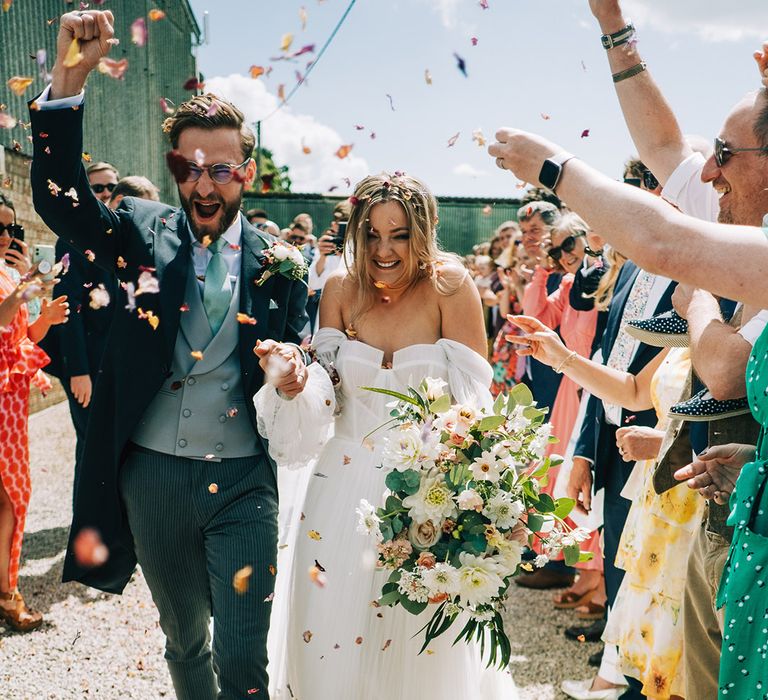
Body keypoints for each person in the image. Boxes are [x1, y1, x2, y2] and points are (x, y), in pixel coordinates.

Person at [30, 10, 308, 697]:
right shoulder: (135, 231)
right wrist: (71, 76)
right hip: (152, 478)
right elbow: (63, 202)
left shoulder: (282, 264)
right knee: (185, 639)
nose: (205, 185)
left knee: (244, 652)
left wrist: (297, 375)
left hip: (245, 478)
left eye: (221, 169)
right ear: (173, 167)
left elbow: (303, 357)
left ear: (247, 172)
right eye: (190, 168)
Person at [487, 50, 768, 700]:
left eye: (725, 150)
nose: (707, 169)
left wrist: (555, 170)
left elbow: (669, 251)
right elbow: (664, 147)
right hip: (740, 511)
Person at [260, 173, 518, 699]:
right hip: (339, 492)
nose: (383, 249)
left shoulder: (451, 285)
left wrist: (474, 500)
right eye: (371, 234)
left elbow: (474, 405)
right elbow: (327, 392)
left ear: (422, 232)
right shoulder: (338, 288)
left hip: (425, 494)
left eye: (399, 235)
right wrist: (293, 383)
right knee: (331, 638)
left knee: (419, 645)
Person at [42, 173, 161, 465]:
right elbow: (68, 307)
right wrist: (78, 371)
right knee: (93, 452)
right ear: (118, 205)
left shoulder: (147, 247)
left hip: (127, 368)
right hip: (90, 367)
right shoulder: (77, 240)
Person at [0, 193, 70, 632]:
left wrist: (43, 319)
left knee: (11, 495)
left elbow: (20, 337)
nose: (5, 236)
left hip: (10, 399)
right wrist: (26, 287)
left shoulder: (9, 274)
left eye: (9, 228)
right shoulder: (13, 279)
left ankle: (7, 589)